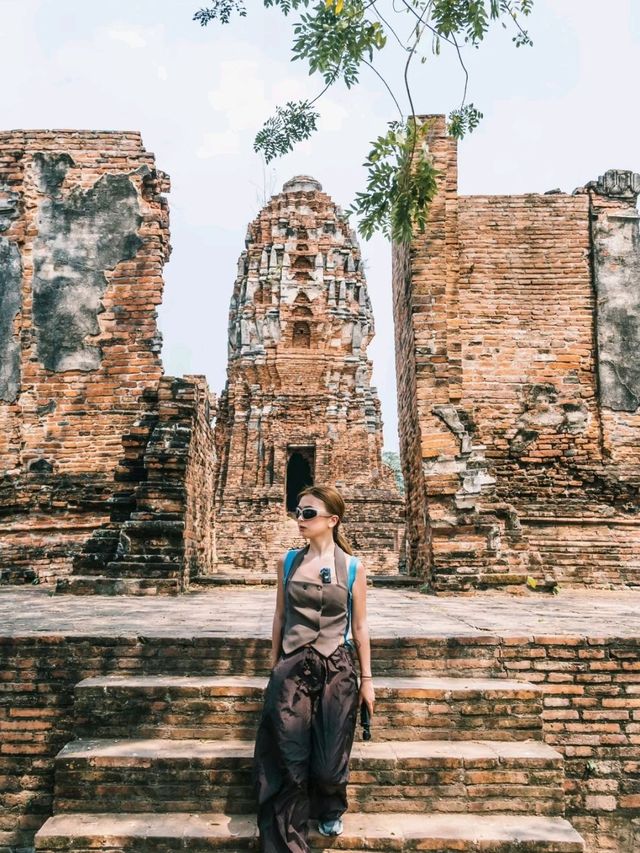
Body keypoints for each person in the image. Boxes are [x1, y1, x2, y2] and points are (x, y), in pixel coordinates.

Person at [252, 484, 375, 853]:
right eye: (298, 512)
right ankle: (288, 835)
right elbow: (279, 615)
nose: (299, 519)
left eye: (308, 513)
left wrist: (367, 679)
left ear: (332, 520)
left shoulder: (353, 568)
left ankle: (330, 803)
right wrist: (275, 665)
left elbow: (361, 627)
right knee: (288, 753)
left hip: (337, 664)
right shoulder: (288, 562)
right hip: (293, 664)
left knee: (329, 757)